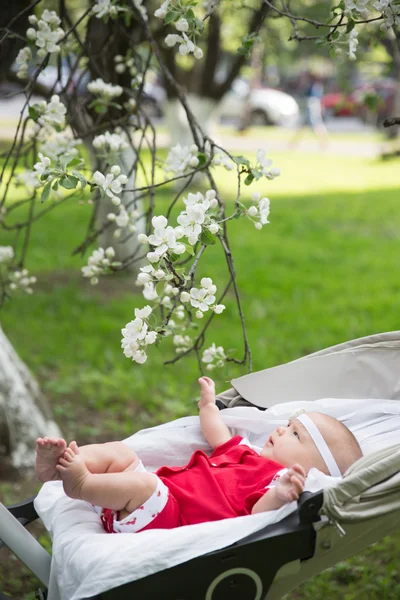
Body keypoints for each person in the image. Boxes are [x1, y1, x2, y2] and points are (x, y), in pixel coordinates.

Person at [35, 377, 362, 534]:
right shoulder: (247, 452)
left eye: (294, 435)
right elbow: (218, 435)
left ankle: (80, 484)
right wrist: (208, 407)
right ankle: (59, 470)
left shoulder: (276, 481)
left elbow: (260, 513)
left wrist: (281, 494)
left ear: (312, 467)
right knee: (121, 454)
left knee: (144, 485)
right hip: (153, 497)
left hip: (170, 517)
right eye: (287, 425)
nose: (279, 431)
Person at [290, 73, 329, 150]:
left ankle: (323, 143)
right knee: (302, 126)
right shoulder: (314, 86)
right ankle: (293, 144)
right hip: (310, 108)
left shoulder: (314, 86)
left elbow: (313, 99)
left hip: (311, 108)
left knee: (316, 126)